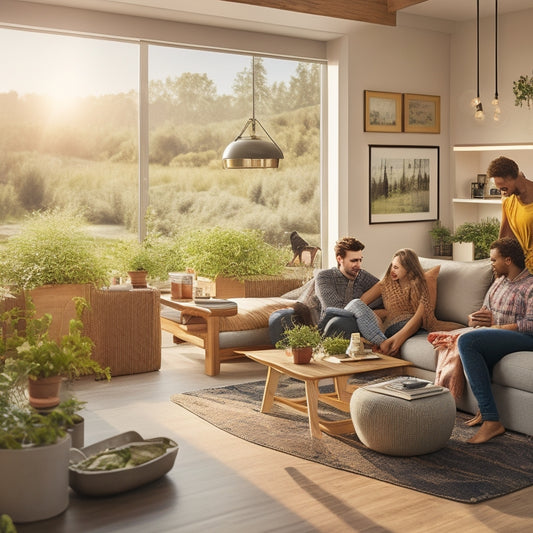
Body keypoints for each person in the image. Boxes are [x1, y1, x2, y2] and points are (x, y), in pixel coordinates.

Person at [457, 238, 533, 444]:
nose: (491, 264)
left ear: (508, 260)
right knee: (470, 341)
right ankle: (484, 410)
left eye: (493, 260)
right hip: (501, 336)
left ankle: (492, 421)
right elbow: (485, 312)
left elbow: (531, 323)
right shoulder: (498, 283)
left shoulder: (530, 285)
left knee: (467, 342)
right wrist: (473, 320)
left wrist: (497, 328)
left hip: (526, 338)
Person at [268, 237, 381, 343]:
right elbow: (334, 308)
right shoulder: (325, 277)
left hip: (342, 323)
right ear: (339, 259)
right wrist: (361, 306)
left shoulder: (363, 276)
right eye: (354, 261)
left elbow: (384, 294)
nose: (359, 265)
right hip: (318, 322)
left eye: (360, 260)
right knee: (278, 318)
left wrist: (375, 311)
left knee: (341, 322)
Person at [342, 248, 437, 357]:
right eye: (392, 266)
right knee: (355, 304)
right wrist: (380, 313)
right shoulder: (385, 284)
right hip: (388, 329)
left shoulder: (422, 283)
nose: (392, 270)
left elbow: (420, 317)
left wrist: (397, 339)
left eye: (396, 267)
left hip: (409, 326)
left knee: (353, 306)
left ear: (409, 269)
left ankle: (382, 344)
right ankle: (382, 343)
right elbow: (362, 302)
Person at [487, 156, 533, 273]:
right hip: (524, 269)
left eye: (503, 187)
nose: (502, 192)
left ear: (511, 177)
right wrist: (497, 260)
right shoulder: (508, 200)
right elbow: (506, 234)